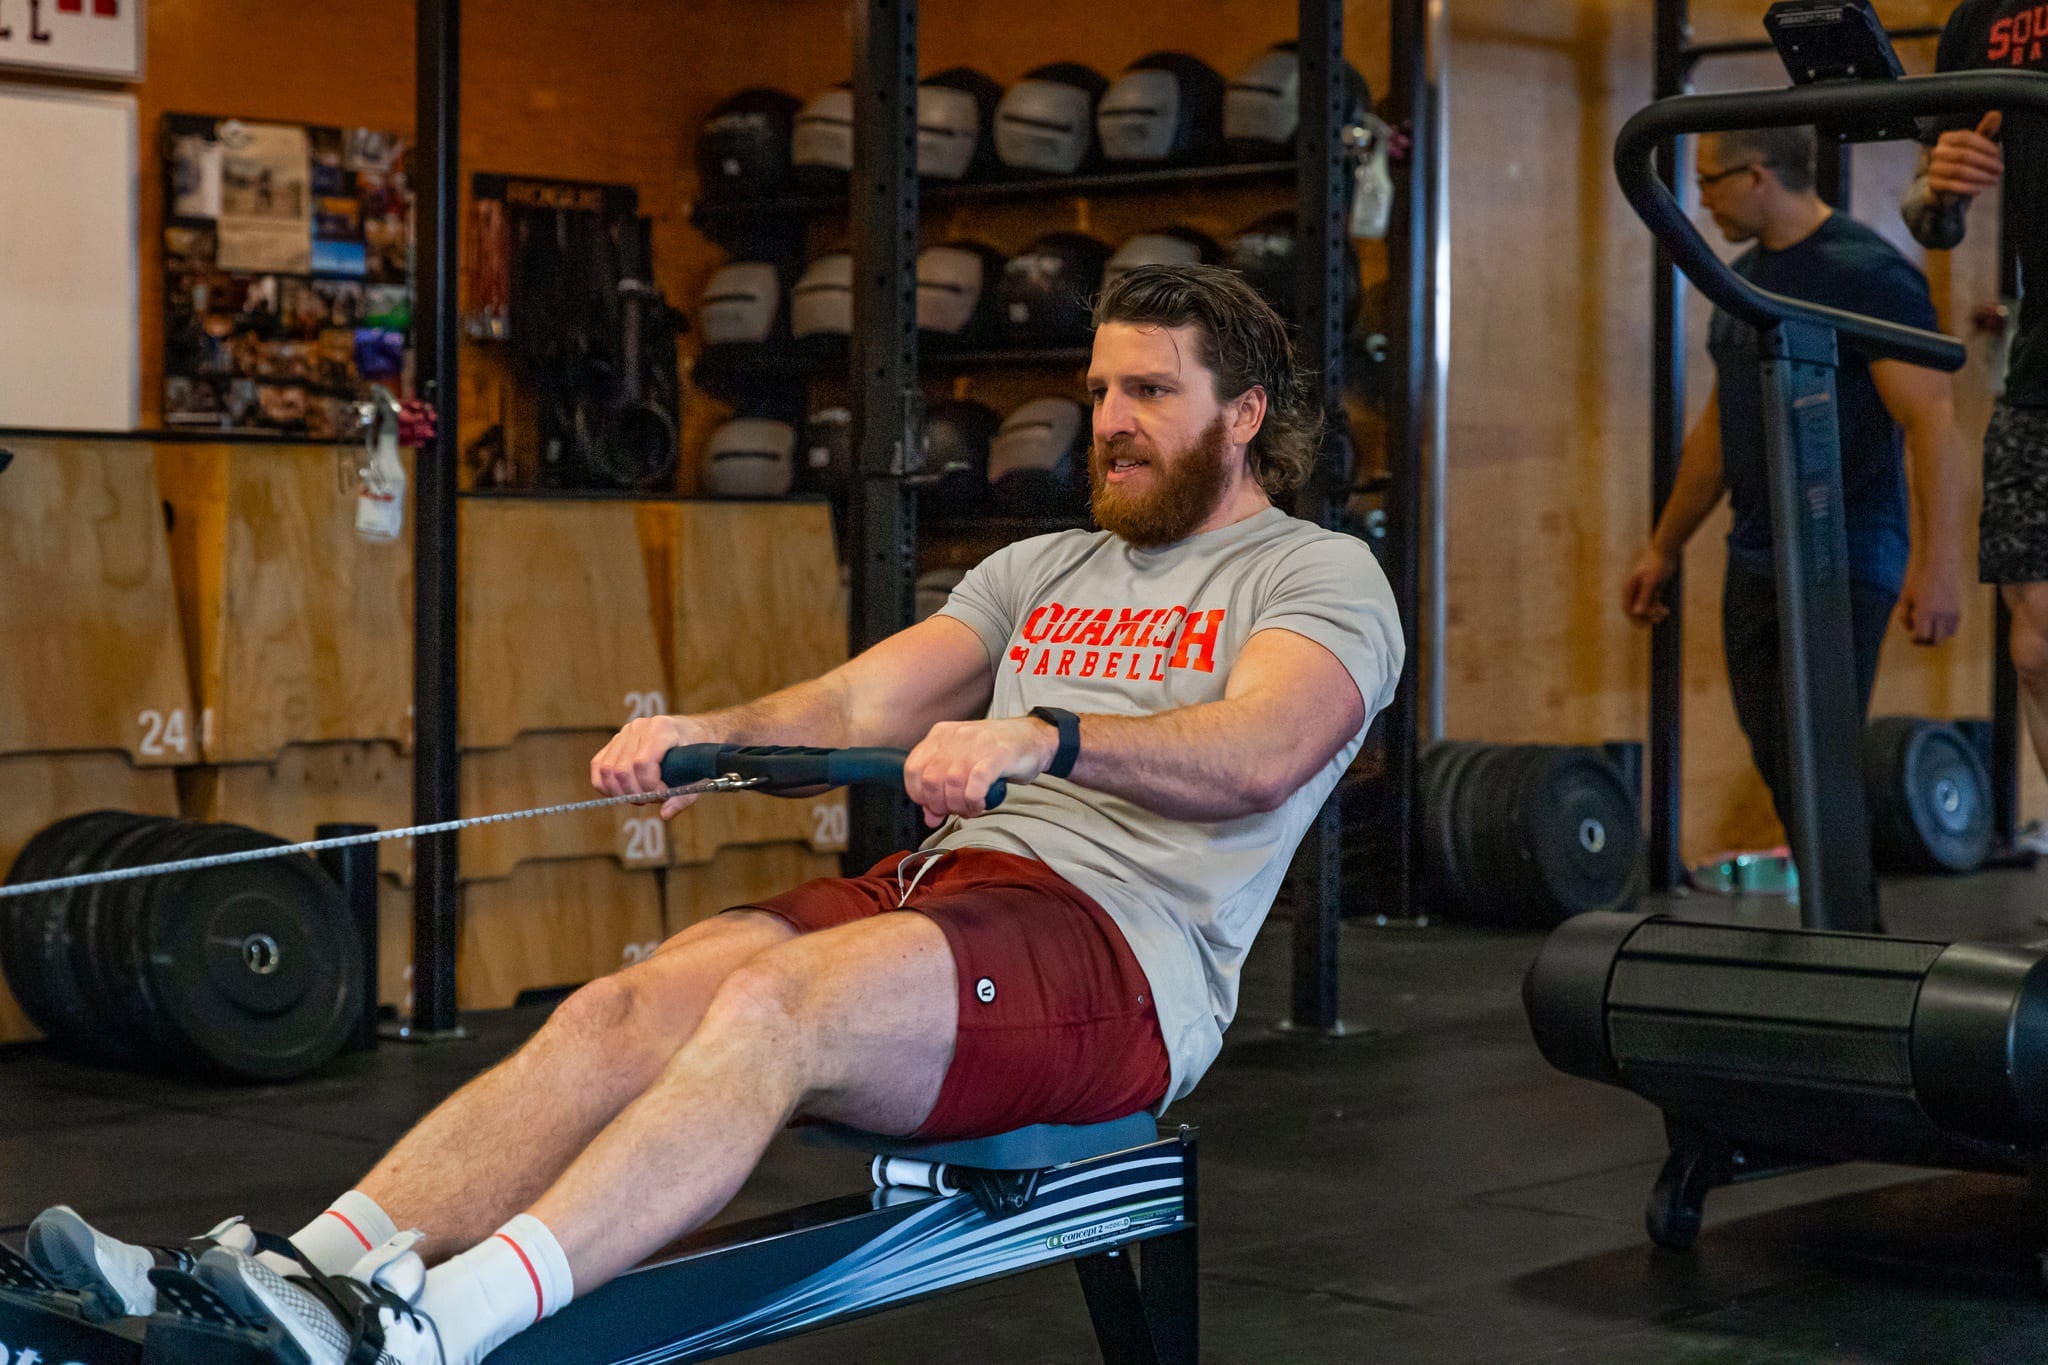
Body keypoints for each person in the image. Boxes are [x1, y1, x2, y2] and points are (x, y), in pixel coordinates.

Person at [20, 264, 1403, 1365]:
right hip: (948, 894)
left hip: (1124, 954)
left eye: (1151, 391)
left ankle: (448, 1326)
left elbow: (1262, 754)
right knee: (620, 1008)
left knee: (772, 1010)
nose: (1110, 419)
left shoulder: (1317, 573)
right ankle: (298, 1274)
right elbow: (861, 707)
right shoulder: (1047, 563)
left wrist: (1048, 737)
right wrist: (710, 737)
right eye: (1101, 388)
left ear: (1245, 414)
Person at [1622, 126, 1970, 829]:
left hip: (1847, 549)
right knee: (1780, 753)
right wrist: (1663, 546)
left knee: (1820, 759)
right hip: (1756, 551)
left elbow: (1931, 419)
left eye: (1711, 180)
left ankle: (1850, 930)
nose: (1701, 198)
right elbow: (1720, 432)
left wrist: (1938, 567)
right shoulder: (1739, 277)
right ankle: (1836, 922)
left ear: (1758, 177)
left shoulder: (1867, 272)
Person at [1902, 1, 2048, 850]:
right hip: (2040, 367)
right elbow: (1929, 210)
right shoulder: (1983, 18)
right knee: (2035, 653)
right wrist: (1941, 189)